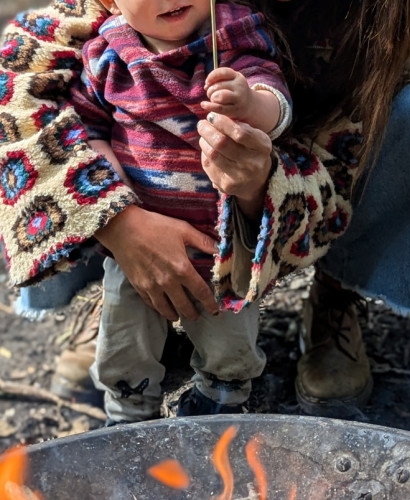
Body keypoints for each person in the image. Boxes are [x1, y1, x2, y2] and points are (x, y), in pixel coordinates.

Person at [0, 0, 410, 419]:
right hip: (139, 204)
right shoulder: (112, 39)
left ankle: (321, 309)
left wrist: (262, 184)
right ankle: (119, 355)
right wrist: (121, 223)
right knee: (26, 145)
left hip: (242, 213)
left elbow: (326, 127)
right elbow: (13, 99)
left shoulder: (242, 29)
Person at [65, 0, 292, 424]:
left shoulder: (232, 34)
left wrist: (249, 105)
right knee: (126, 336)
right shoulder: (105, 54)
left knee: (230, 341)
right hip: (135, 248)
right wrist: (118, 199)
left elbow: (277, 105)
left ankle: (220, 400)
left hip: (219, 242)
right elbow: (86, 131)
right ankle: (129, 411)